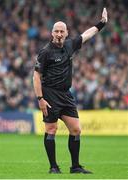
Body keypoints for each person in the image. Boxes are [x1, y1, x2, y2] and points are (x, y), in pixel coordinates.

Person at [33, 8, 108, 174]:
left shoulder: (70, 45)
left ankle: (75, 167)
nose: (59, 34)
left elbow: (87, 35)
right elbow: (36, 77)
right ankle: (53, 167)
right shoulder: (45, 52)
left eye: (62, 31)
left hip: (66, 94)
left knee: (76, 129)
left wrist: (101, 24)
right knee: (51, 129)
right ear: (52, 33)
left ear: (66, 33)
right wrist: (40, 98)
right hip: (50, 94)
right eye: (56, 31)